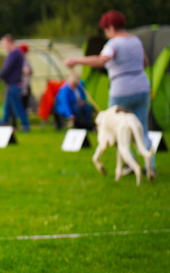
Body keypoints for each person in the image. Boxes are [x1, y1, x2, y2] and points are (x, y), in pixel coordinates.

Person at [64, 10, 152, 169]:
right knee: (142, 130)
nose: (106, 34)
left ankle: (130, 165)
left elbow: (102, 60)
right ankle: (149, 166)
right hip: (142, 87)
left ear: (111, 27)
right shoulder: (136, 41)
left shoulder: (113, 44)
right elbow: (145, 62)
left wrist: (76, 60)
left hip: (121, 90)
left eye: (105, 30)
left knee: (120, 131)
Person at [0, 34, 30, 131]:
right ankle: (3, 124)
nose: (2, 46)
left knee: (18, 107)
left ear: (9, 42)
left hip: (14, 84)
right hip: (13, 84)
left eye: (3, 43)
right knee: (7, 107)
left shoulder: (14, 54)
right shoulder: (17, 53)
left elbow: (7, 68)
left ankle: (25, 125)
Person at [19, 44, 34, 114]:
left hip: (27, 83)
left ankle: (24, 114)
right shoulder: (18, 59)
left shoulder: (27, 59)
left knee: (26, 100)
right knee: (20, 100)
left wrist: (29, 71)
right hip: (21, 83)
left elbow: (31, 70)